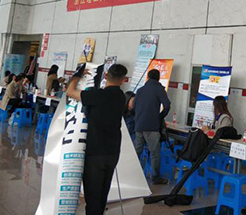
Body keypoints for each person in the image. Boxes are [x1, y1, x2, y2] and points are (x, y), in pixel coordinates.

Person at [66, 63, 128, 215]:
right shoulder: (121, 97)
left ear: (106, 76)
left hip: (95, 151)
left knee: (93, 195)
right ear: (123, 80)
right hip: (113, 152)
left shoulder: (96, 96)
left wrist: (78, 75)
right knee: (102, 194)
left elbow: (70, 91)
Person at [134, 69, 171, 185]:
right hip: (152, 126)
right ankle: (155, 177)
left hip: (139, 125)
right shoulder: (159, 89)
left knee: (137, 151)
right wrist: (160, 116)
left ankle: (132, 173)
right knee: (154, 152)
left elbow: (134, 105)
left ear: (148, 77)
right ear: (158, 78)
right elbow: (167, 105)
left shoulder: (140, 90)